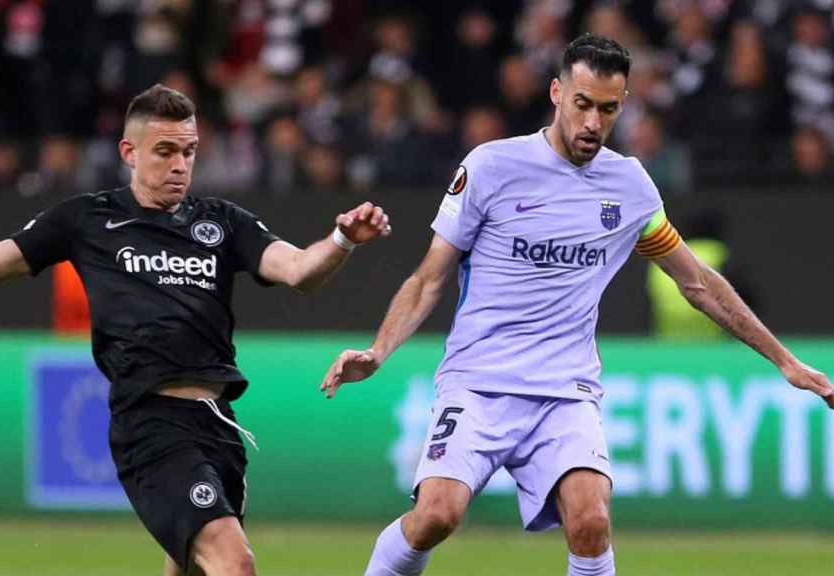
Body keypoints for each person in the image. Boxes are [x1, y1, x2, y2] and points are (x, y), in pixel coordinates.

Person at [0, 84, 391, 576]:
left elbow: (300, 271)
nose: (180, 165)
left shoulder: (223, 223)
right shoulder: (86, 220)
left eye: (189, 151)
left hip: (218, 427)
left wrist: (341, 241)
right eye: (165, 151)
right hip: (151, 423)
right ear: (129, 152)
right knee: (234, 565)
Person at [320, 34, 833, 576]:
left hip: (565, 392)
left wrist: (786, 362)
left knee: (590, 520)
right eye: (583, 104)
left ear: (623, 105)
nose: (593, 122)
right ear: (556, 92)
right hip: (479, 382)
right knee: (437, 515)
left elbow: (698, 283)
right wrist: (379, 352)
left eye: (608, 109)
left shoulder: (629, 186)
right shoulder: (491, 167)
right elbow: (429, 279)